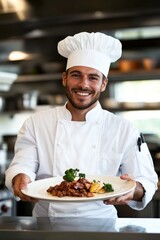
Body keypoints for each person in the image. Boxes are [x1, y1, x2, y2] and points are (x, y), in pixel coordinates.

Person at [5, 32, 158, 218]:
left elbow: (146, 181)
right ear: (64, 78)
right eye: (76, 75)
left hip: (101, 228)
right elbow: (22, 165)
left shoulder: (124, 129)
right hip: (46, 228)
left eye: (93, 77)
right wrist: (20, 178)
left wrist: (133, 190)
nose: (83, 85)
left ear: (103, 84)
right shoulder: (36, 123)